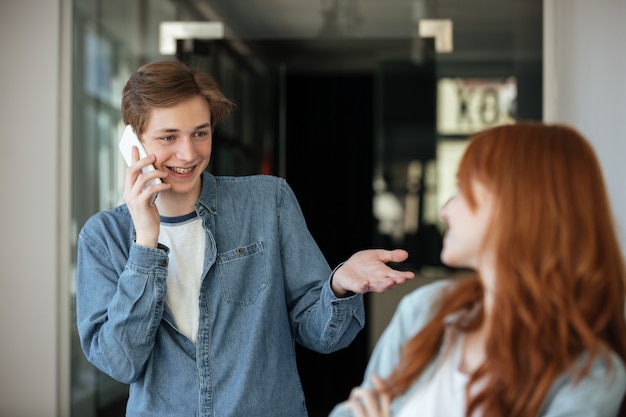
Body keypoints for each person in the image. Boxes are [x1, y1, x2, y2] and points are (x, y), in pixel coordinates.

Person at [75, 59, 415, 417]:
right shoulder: (103, 238)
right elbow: (119, 363)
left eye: (200, 133)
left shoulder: (268, 201)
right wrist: (145, 242)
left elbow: (322, 335)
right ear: (134, 142)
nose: (188, 154)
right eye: (168, 137)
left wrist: (340, 285)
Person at [329, 121, 626, 417]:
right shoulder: (425, 311)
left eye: (462, 188)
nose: (445, 211)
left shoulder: (591, 373)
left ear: (518, 204)